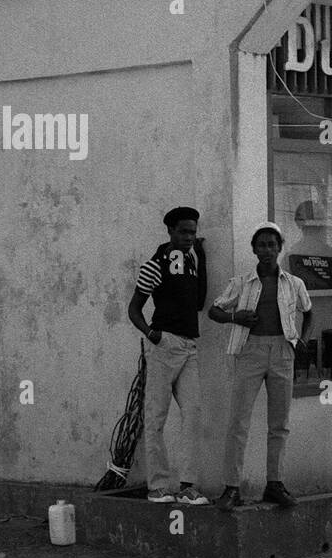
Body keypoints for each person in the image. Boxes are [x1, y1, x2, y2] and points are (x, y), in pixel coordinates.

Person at [209, 222, 313, 509]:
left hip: (282, 350)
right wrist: (235, 318)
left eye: (272, 244)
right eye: (261, 245)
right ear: (253, 249)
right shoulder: (242, 282)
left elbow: (309, 312)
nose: (267, 250)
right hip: (250, 350)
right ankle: (232, 487)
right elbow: (214, 310)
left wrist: (301, 340)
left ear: (280, 248)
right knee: (238, 422)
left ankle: (275, 484)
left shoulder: (294, 283)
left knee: (279, 423)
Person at [127, 206, 209, 504]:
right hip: (164, 345)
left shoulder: (193, 258)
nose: (189, 237)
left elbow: (199, 301)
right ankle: (158, 486)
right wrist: (152, 334)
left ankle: (188, 485)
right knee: (156, 415)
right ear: (170, 231)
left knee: (194, 414)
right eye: (184, 231)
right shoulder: (155, 264)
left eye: (193, 231)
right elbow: (134, 309)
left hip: (189, 346)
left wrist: (202, 256)